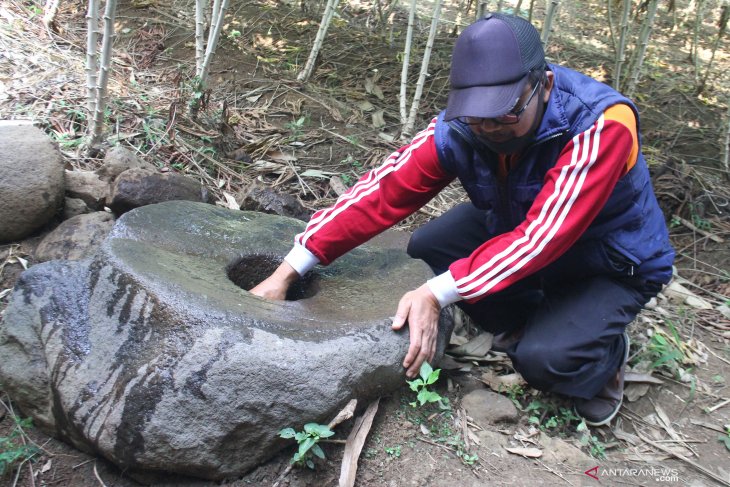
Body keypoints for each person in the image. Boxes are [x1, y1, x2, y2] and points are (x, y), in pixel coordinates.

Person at [251, 13, 675, 426]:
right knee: (426, 248)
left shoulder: (601, 125)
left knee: (545, 360)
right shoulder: (465, 125)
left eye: (505, 113)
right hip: (519, 223)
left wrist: (436, 293)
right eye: (477, 115)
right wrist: (292, 267)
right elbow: (385, 189)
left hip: (609, 260)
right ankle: (534, 315)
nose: (490, 127)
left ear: (542, 85)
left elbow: (544, 237)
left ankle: (603, 359)